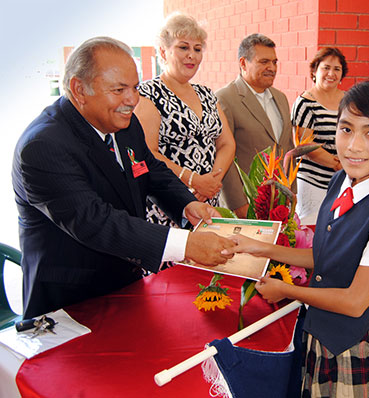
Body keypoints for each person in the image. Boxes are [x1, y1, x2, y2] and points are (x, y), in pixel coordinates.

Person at [12, 37, 234, 319]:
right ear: (79, 89)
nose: (132, 100)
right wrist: (186, 245)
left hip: (125, 286)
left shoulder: (124, 124)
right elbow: (93, 221)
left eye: (135, 88)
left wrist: (186, 205)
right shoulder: (43, 146)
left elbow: (150, 170)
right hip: (71, 304)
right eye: (119, 90)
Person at [222, 81, 369, 397]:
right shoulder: (342, 179)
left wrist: (286, 289)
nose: (353, 146)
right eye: (346, 129)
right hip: (319, 332)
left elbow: (355, 303)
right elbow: (324, 256)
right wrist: (259, 246)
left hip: (351, 346)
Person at [135, 13, 235, 226]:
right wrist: (193, 180)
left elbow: (226, 143)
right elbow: (147, 152)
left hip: (208, 197)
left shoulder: (207, 94)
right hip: (170, 203)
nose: (192, 55)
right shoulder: (148, 94)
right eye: (183, 47)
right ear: (163, 51)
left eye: (197, 49)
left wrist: (212, 181)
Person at [216, 33, 294, 218]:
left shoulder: (280, 98)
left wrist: (291, 193)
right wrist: (239, 204)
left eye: (275, 62)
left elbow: (288, 148)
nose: (272, 68)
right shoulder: (224, 99)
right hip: (247, 204)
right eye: (264, 62)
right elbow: (224, 157)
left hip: (279, 201)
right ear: (243, 63)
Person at [291, 47, 346, 226]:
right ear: (315, 71)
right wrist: (337, 164)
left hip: (343, 180)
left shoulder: (349, 101)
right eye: (326, 68)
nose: (331, 73)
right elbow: (305, 145)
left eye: (337, 69)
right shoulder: (306, 102)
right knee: (312, 231)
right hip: (313, 182)